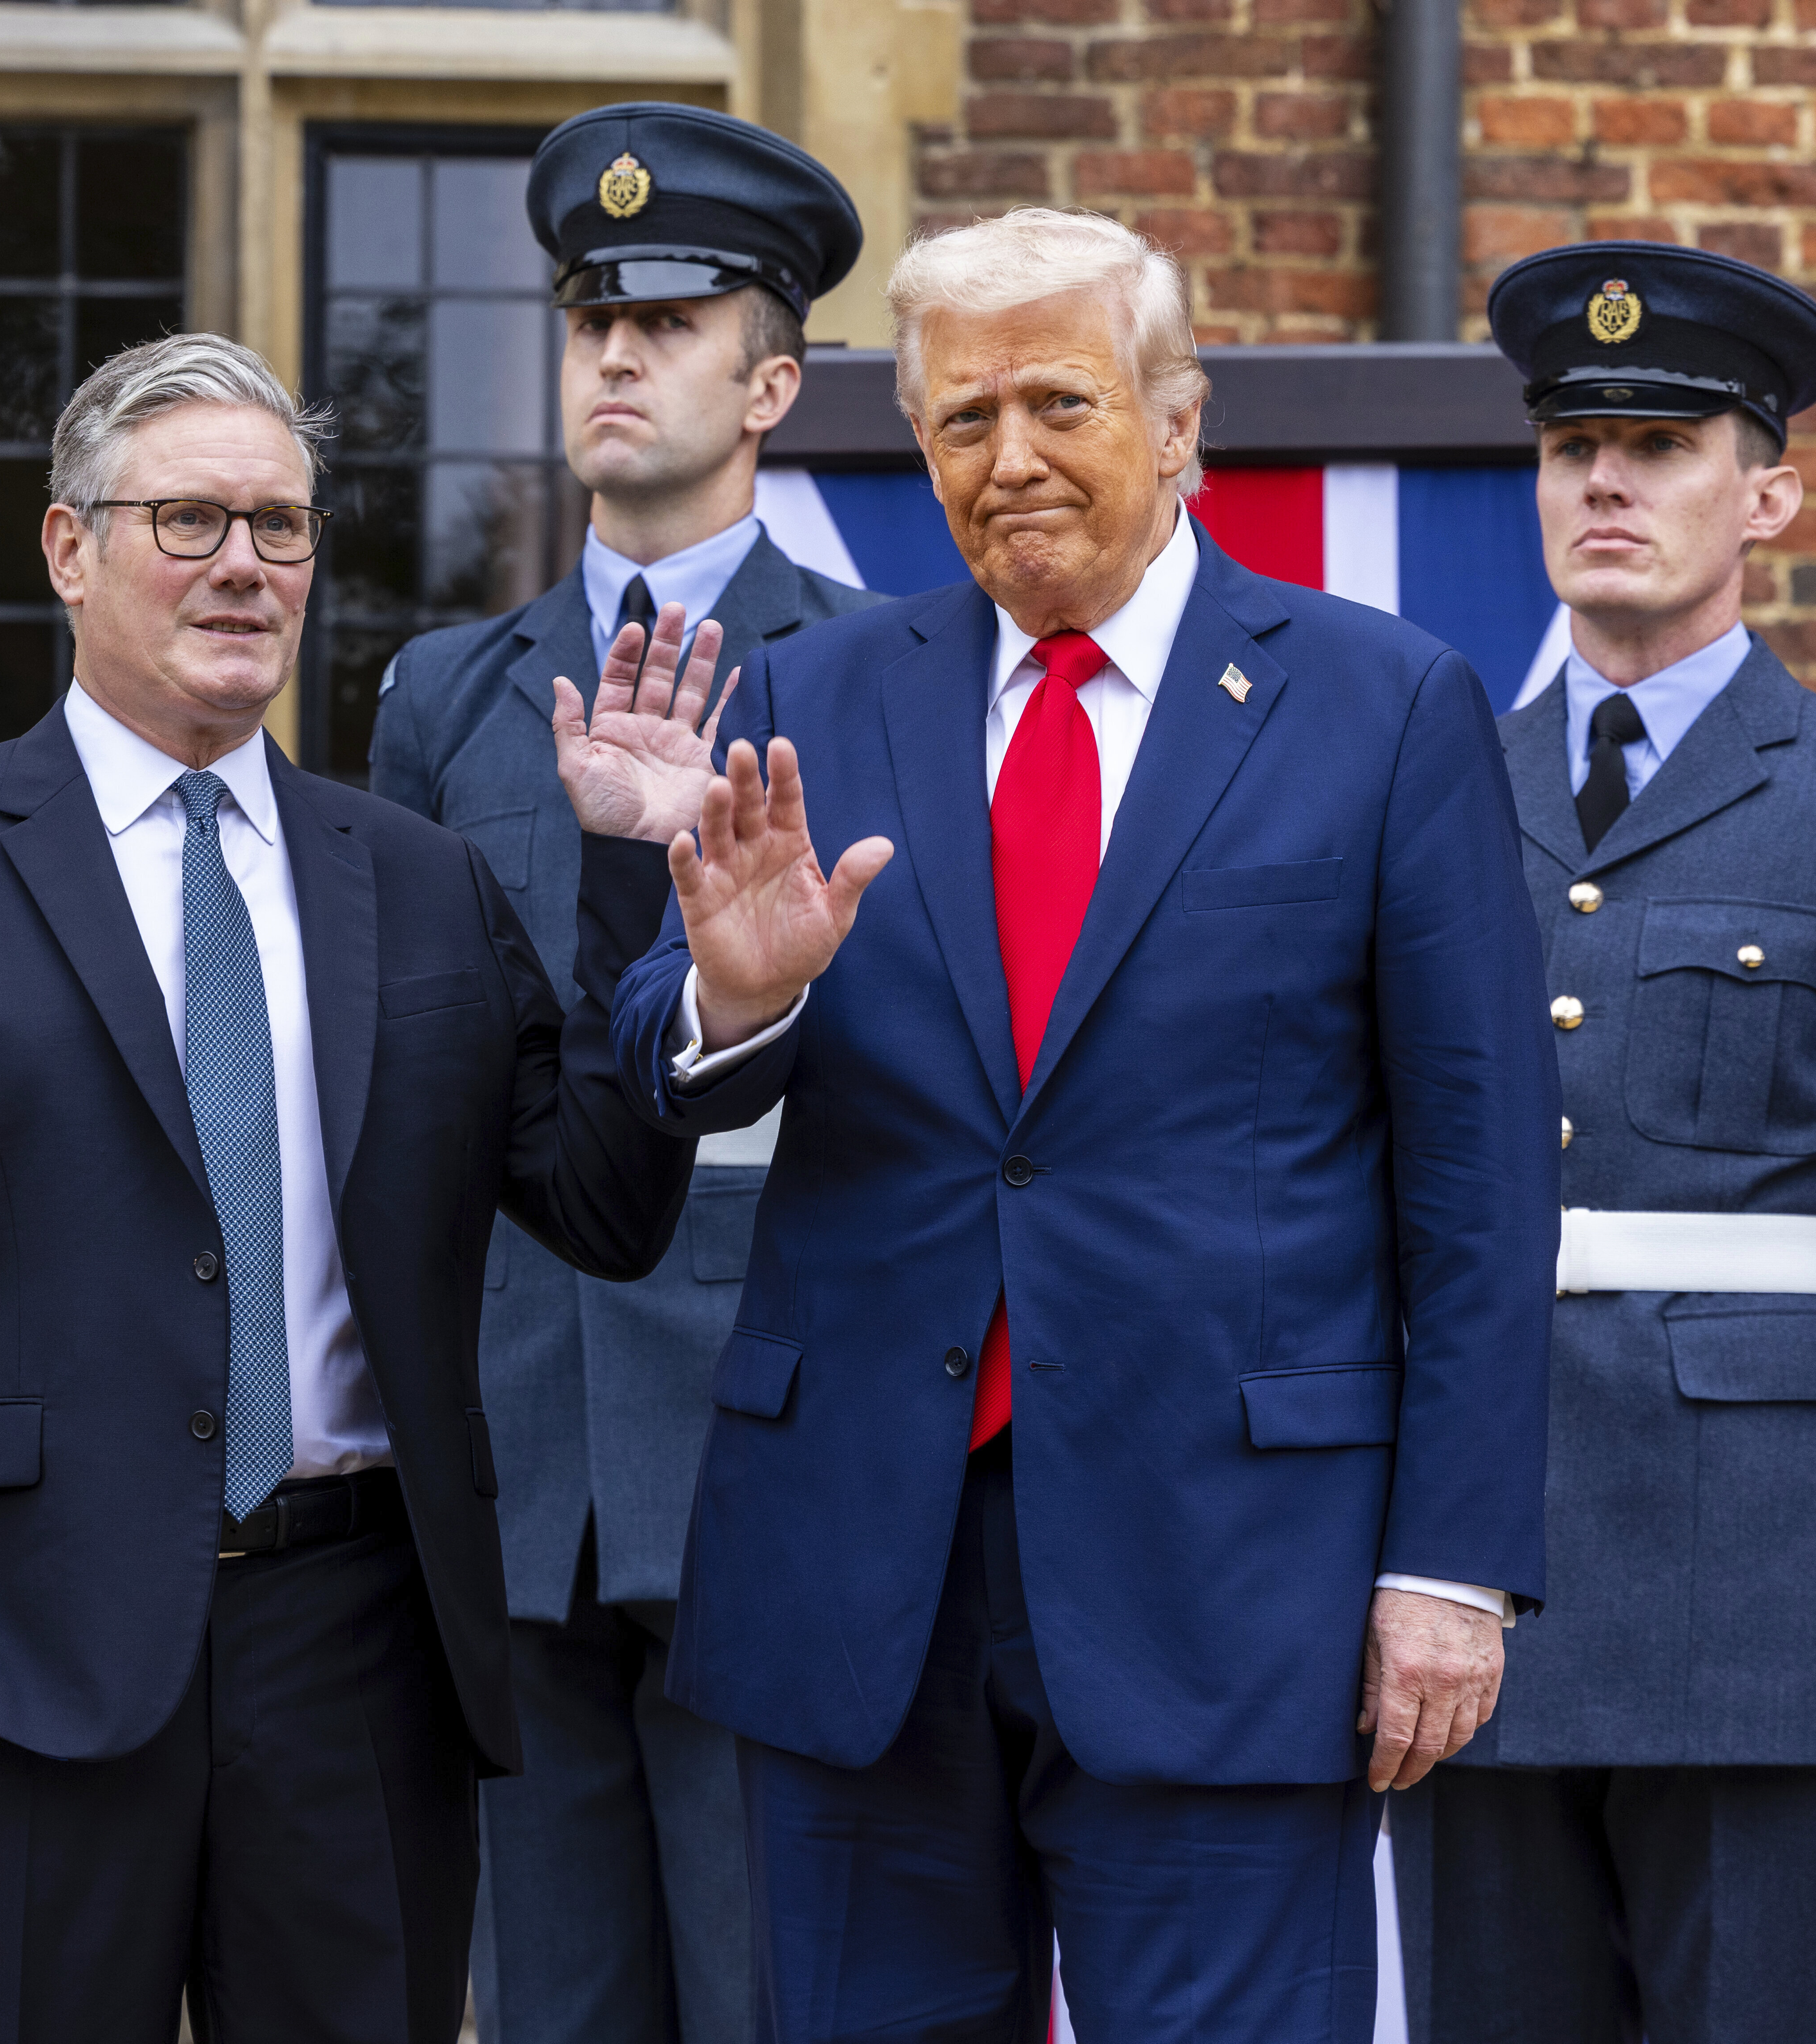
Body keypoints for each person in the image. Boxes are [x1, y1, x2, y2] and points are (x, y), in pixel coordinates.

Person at [603, 208, 1563, 2043]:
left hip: (1230, 1579)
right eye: (958, 420)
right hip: (859, 1572)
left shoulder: (1377, 707)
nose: (1007, 457)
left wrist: (1445, 1569)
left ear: (1179, 419)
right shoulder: (812, 690)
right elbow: (662, 1048)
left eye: (1057, 401)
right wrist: (739, 993)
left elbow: (1475, 1178)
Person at [0, 330, 731, 2041]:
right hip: (19, 1653)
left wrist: (661, 921)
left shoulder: (413, 881)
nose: (245, 568)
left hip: (360, 1649)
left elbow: (598, 1206)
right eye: (188, 521)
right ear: (69, 548)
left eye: (281, 527)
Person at [369, 102, 881, 2044]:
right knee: (552, 2002)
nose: (609, 353)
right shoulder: (449, 690)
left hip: (764, 1430)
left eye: (665, 323)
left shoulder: (868, 668)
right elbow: (410, 1081)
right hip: (511, 1447)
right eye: (587, 317)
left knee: (776, 1994)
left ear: (770, 380)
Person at [1383, 242, 1816, 2044]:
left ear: (1770, 491)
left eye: (1657, 442)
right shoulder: (1417, 790)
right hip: (1469, 1585)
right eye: (1571, 448)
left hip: (1758, 1597)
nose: (1605, 483)